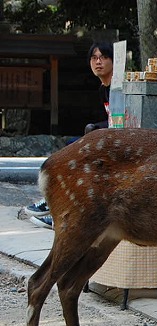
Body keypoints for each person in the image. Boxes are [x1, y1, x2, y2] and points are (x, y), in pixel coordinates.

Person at [22, 42, 114, 229]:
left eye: (104, 57)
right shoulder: (102, 89)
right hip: (107, 139)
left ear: (114, 61)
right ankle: (55, 207)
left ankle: (55, 209)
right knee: (68, 153)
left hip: (117, 142)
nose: (98, 62)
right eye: (94, 58)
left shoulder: (119, 88)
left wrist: (95, 129)